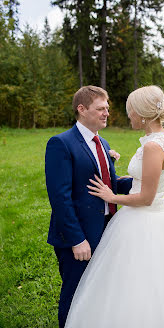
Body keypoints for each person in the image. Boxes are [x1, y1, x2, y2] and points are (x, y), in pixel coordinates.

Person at [65, 85, 164, 328]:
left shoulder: (151, 146)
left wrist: (111, 196)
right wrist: (140, 180)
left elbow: (146, 198)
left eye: (131, 112)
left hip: (142, 217)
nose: (129, 117)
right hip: (163, 214)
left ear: (143, 114)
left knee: (135, 279)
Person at [45, 85, 132, 328]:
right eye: (100, 109)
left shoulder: (102, 142)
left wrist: (143, 182)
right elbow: (60, 197)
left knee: (98, 291)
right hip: (79, 235)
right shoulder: (61, 143)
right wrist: (77, 239)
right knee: (75, 293)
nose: (106, 113)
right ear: (81, 109)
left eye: (107, 108)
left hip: (106, 228)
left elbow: (106, 183)